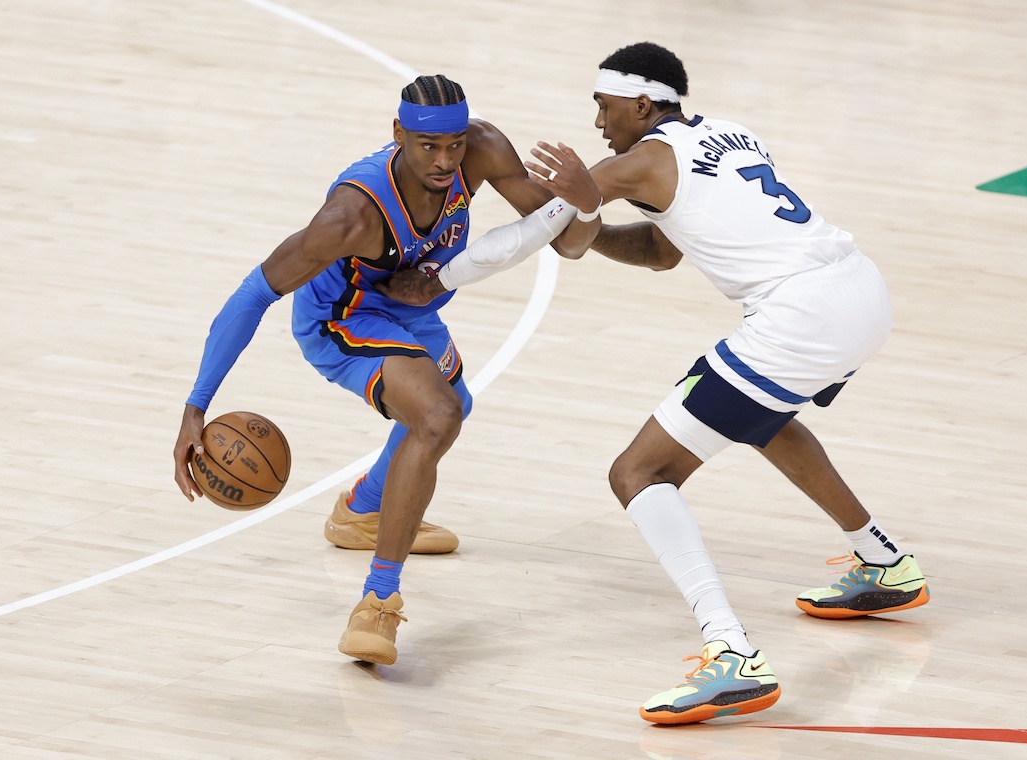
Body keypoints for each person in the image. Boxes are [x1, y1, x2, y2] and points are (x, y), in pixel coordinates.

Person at [391, 43, 931, 724]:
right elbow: (659, 251)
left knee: (638, 473)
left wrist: (441, 277)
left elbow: (542, 236)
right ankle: (884, 563)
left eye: (605, 108)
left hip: (801, 314)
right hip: (859, 292)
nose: (598, 124)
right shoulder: (732, 134)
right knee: (762, 420)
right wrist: (589, 219)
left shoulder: (638, 160)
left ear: (642, 104)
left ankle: (731, 656)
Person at [171, 74, 593, 667]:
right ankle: (378, 600)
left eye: (454, 144)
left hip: (412, 303)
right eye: (429, 147)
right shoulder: (351, 216)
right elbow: (252, 294)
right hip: (342, 320)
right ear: (398, 134)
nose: (447, 160)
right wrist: (196, 405)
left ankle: (364, 510)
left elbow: (568, 241)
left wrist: (589, 198)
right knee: (437, 414)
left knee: (454, 406)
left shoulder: (484, 148)